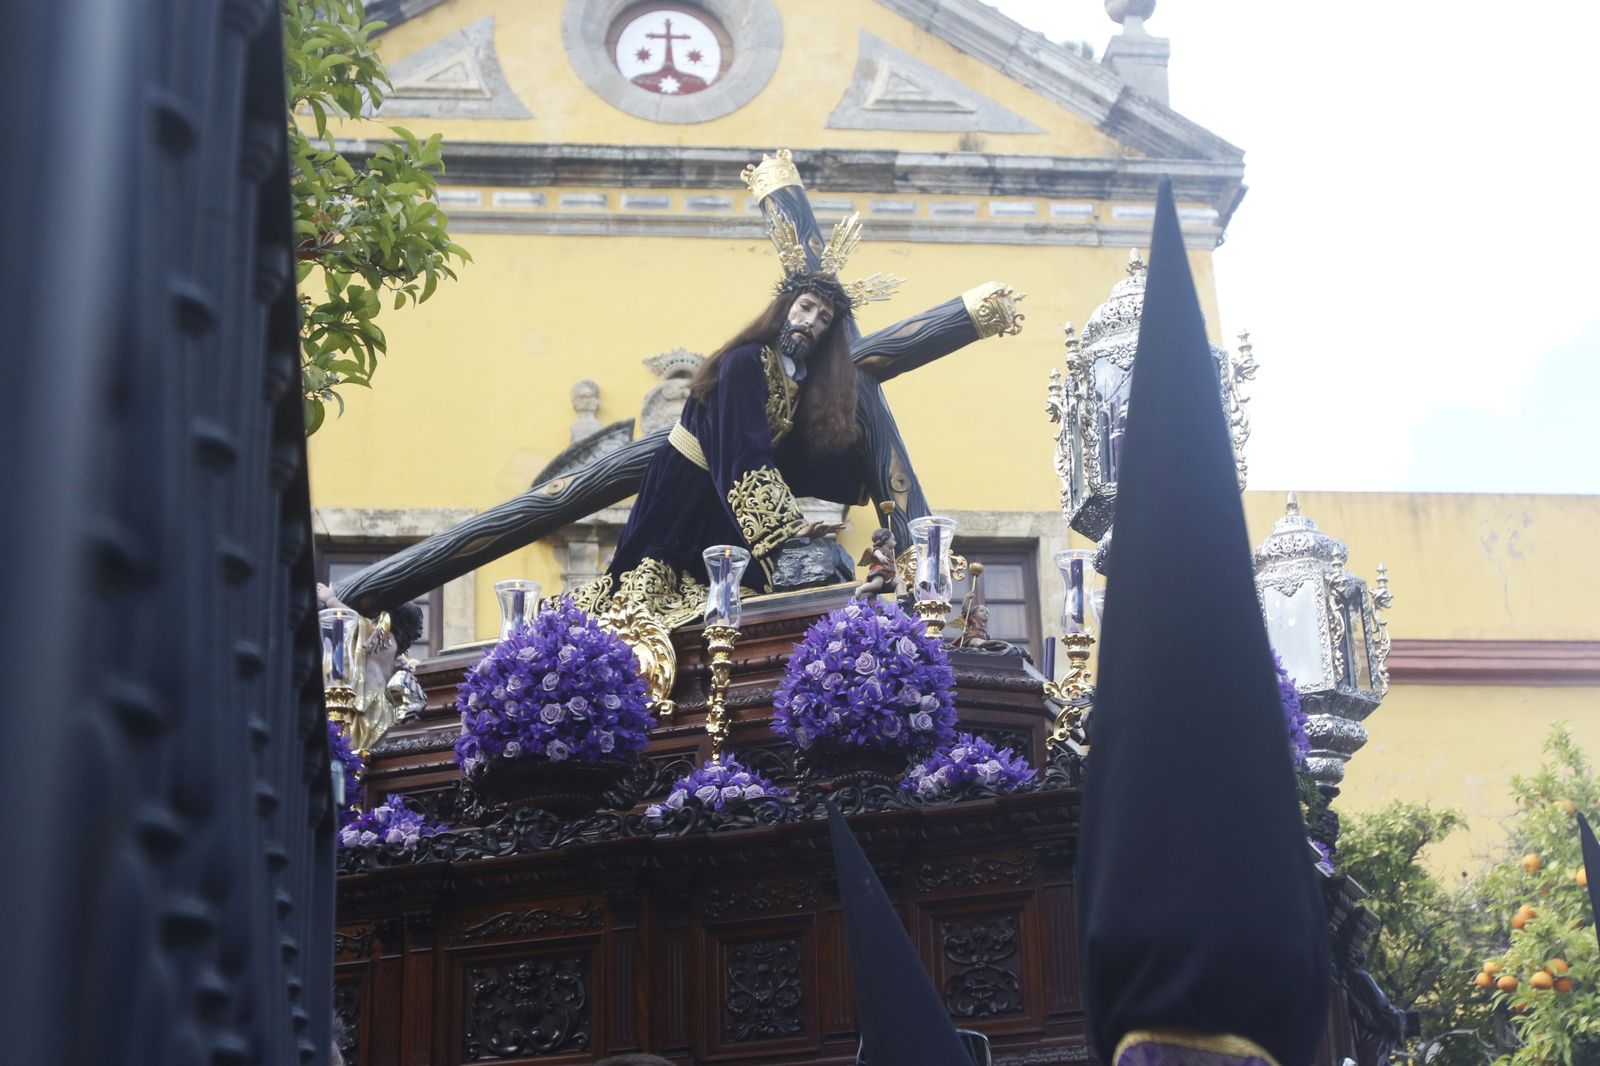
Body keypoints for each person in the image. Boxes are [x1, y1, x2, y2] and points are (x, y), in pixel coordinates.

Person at [568, 269, 873, 626]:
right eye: (805, 307)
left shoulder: (796, 376)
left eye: (823, 318)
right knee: (655, 597)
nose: (810, 322)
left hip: (725, 493)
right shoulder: (745, 361)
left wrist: (860, 474)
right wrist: (785, 529)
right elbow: (744, 451)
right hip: (685, 491)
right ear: (784, 306)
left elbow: (790, 454)